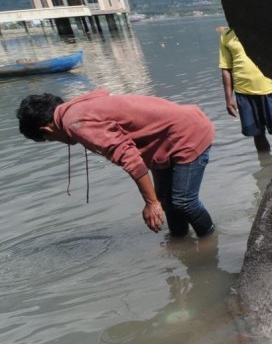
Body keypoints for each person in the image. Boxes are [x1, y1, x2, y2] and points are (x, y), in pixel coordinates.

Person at [16, 90, 216, 238]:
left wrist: (150, 202)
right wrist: (156, 199)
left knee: (183, 201)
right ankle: (180, 243)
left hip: (187, 133)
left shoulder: (74, 122)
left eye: (50, 139)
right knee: (166, 198)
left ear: (47, 130)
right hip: (165, 138)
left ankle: (209, 241)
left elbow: (128, 157)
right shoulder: (74, 107)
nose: (56, 141)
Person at [218, 27, 272, 152]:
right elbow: (226, 69)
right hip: (243, 93)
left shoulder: (262, 29)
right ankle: (266, 166)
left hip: (270, 89)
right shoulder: (226, 36)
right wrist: (228, 99)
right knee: (258, 135)